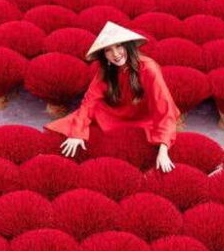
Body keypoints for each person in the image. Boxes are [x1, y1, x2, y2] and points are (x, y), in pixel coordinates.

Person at [46, 21, 180, 172]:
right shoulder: (106, 71)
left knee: (148, 143)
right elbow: (89, 101)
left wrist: (163, 151)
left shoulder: (149, 68)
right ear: (104, 55)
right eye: (108, 50)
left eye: (119, 46)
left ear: (128, 46)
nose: (115, 54)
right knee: (67, 129)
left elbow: (164, 109)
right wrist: (77, 133)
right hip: (113, 113)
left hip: (144, 117)